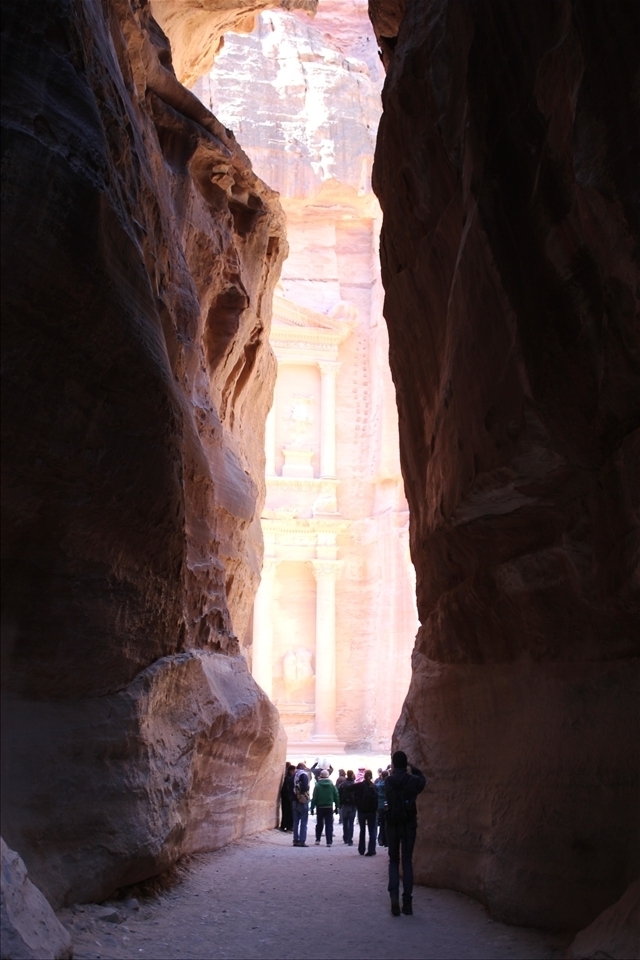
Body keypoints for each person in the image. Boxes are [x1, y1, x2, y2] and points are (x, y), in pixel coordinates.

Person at [384, 750, 426, 916]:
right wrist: (413, 768)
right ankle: (407, 903)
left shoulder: (388, 781)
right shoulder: (413, 780)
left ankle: (394, 896)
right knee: (407, 862)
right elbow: (423, 782)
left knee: (394, 861)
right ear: (405, 763)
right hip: (408, 824)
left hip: (392, 824)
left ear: (394, 764)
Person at [310, 769, 339, 846]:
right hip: (329, 807)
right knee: (329, 824)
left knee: (319, 824)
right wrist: (337, 806)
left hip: (320, 807)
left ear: (320, 776)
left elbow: (314, 797)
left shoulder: (317, 786)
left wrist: (312, 808)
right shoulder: (332, 785)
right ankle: (329, 841)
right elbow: (336, 796)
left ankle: (318, 839)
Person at [355, 769, 378, 856]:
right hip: (371, 811)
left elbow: (356, 797)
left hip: (362, 811)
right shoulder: (374, 786)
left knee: (362, 830)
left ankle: (361, 849)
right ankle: (371, 849)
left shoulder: (360, 786)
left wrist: (359, 806)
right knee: (372, 830)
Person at [292, 763, 310, 847]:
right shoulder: (304, 775)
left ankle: (295, 840)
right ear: (303, 767)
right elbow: (305, 787)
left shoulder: (293, 775)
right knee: (303, 821)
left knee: (295, 822)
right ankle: (302, 840)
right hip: (302, 800)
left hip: (294, 800)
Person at [338, 769, 357, 845]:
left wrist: (339, 804)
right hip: (352, 805)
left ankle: (345, 837)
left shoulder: (342, 785)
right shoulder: (355, 785)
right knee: (351, 822)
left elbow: (339, 794)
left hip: (344, 805)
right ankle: (350, 838)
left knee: (345, 822)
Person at [279, 763, 294, 832]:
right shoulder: (288, 778)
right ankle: (286, 826)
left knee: (287, 812)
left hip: (287, 798)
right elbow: (287, 789)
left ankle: (286, 826)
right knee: (287, 812)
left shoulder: (289, 777)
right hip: (287, 798)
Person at [376, 769, 389, 847]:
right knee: (387, 823)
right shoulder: (387, 784)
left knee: (382, 823)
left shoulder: (378, 784)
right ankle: (386, 840)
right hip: (386, 805)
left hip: (379, 805)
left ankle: (381, 838)